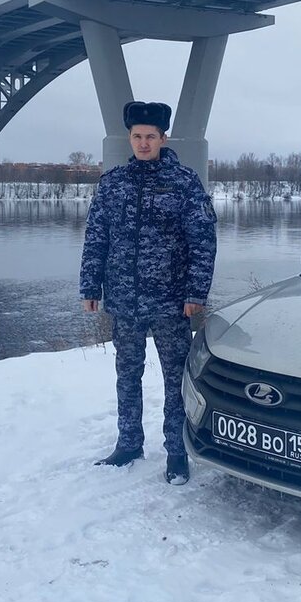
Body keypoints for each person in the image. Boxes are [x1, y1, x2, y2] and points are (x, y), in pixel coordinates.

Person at [80, 100, 217, 485]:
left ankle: (176, 450)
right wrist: (90, 285)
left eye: (150, 137)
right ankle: (128, 443)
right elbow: (96, 238)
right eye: (137, 136)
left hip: (171, 301)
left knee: (175, 378)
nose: (143, 143)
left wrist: (195, 293)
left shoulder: (184, 182)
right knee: (127, 373)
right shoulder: (113, 183)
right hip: (124, 298)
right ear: (130, 138)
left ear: (163, 138)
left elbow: (202, 241)